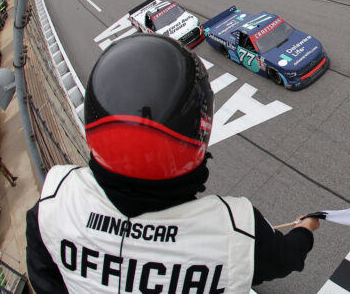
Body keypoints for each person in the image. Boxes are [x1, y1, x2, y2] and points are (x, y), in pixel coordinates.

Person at [25, 34, 319, 293]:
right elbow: (286, 258)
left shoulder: (50, 205)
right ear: (199, 128)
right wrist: (306, 228)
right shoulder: (235, 229)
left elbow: (46, 282)